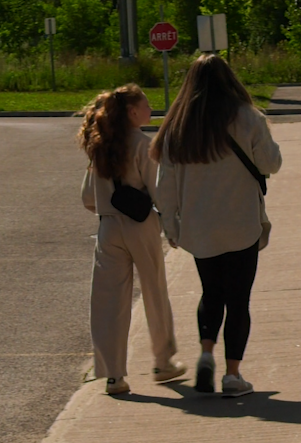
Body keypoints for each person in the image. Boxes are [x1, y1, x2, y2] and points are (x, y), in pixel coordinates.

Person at [150, 54, 282, 397]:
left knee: (212, 293)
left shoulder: (178, 125)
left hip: (199, 225)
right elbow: (271, 163)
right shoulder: (248, 118)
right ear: (230, 81)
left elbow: (164, 184)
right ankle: (233, 375)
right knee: (238, 300)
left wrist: (172, 225)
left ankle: (206, 353)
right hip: (241, 223)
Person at [79, 84, 186, 395]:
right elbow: (159, 191)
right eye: (145, 106)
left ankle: (114, 375)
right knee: (154, 291)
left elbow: (87, 197)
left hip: (108, 227)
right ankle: (163, 361)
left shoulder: (99, 146)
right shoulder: (143, 145)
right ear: (132, 112)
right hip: (141, 226)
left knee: (108, 302)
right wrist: (172, 225)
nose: (150, 110)